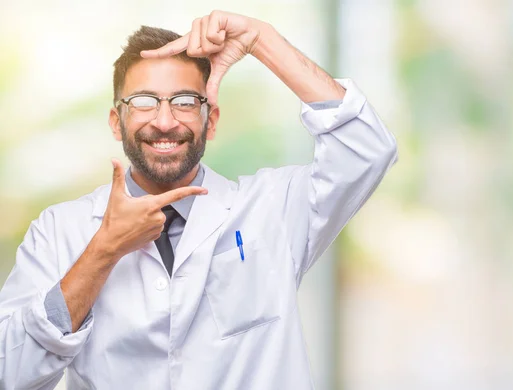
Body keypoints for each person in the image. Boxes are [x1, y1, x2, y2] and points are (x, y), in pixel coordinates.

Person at [0, 10, 397, 390]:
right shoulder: (59, 231)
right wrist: (103, 251)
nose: (165, 120)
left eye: (185, 101)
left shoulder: (271, 209)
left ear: (213, 120)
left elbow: (366, 149)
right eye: (143, 101)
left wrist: (262, 40)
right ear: (115, 123)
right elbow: (10, 374)